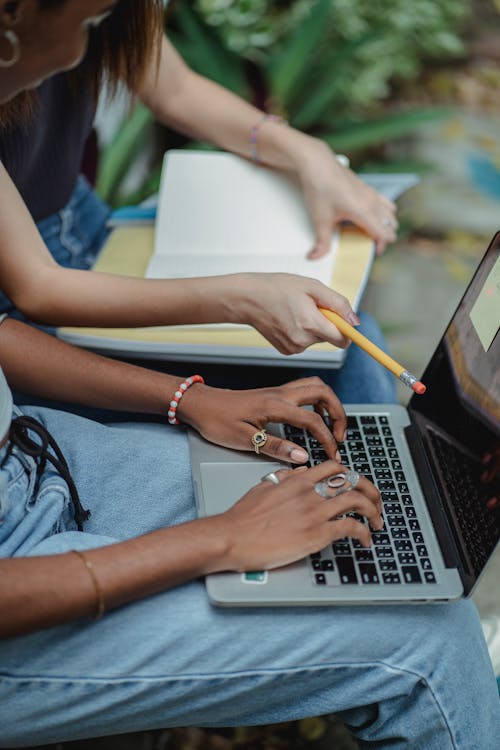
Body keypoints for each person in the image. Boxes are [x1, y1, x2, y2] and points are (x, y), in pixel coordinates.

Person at [1, 3, 498, 747]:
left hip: (34, 458)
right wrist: (222, 541)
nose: (90, 51)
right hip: (25, 551)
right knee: (430, 638)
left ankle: (410, 541)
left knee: (335, 446)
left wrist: (190, 400)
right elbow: (33, 296)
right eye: (94, 15)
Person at [0, 0, 397, 405]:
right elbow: (38, 285)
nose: (87, 50)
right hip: (29, 308)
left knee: (353, 348)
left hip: (85, 230)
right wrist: (242, 298)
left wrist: (307, 155)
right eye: (92, 22)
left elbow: (174, 88)